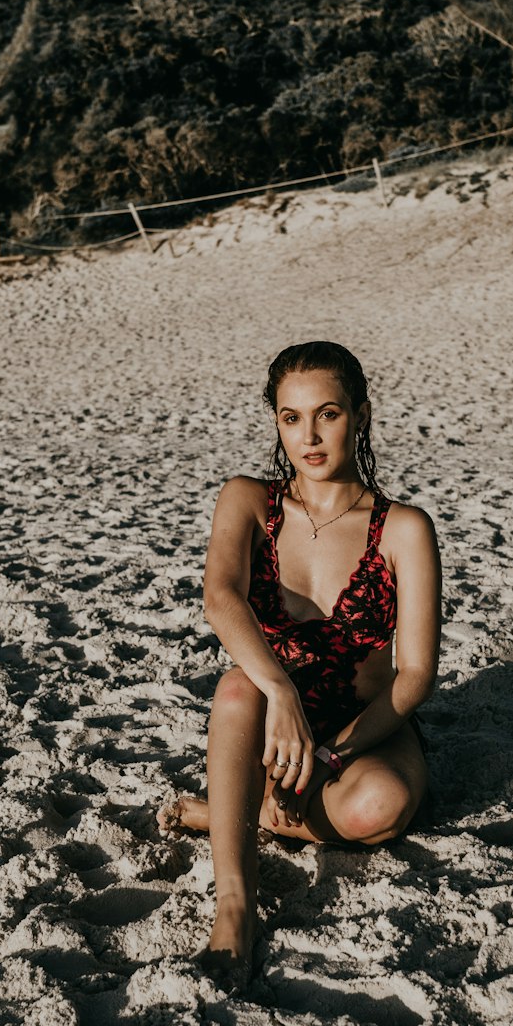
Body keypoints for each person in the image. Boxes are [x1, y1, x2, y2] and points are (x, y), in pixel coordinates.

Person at [159, 340, 441, 987]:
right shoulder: (248, 499)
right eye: (291, 418)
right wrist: (280, 692)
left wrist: (333, 756)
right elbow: (220, 598)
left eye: (328, 414)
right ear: (276, 422)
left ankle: (230, 810)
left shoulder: (403, 528)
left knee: (384, 806)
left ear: (361, 415)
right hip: (270, 716)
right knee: (236, 690)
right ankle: (235, 906)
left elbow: (417, 676)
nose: (309, 435)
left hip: (363, 727)